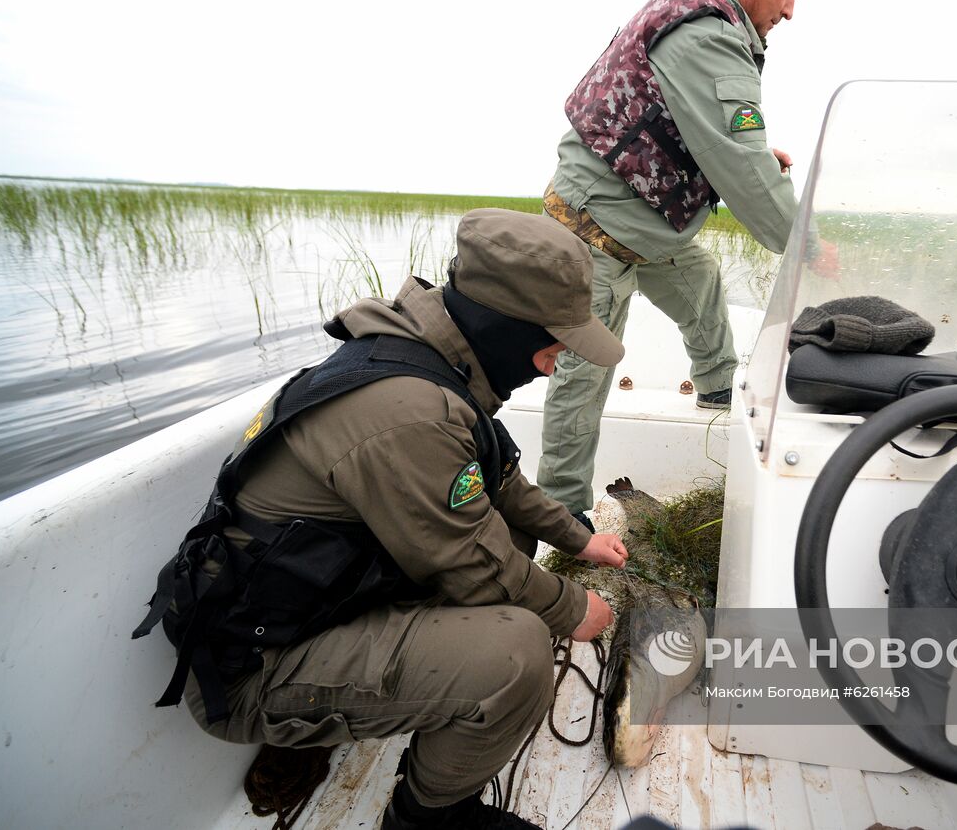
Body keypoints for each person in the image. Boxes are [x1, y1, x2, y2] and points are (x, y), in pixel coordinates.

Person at [134, 209, 630, 830]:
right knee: (519, 653)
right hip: (254, 670)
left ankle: (352, 714)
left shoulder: (435, 364)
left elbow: (503, 485)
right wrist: (574, 609)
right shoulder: (411, 410)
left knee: (515, 537)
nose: (553, 364)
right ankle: (427, 817)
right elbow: (476, 569)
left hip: (315, 607)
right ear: (505, 325)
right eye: (553, 342)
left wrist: (581, 542)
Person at [539, 0, 837, 521]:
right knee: (584, 379)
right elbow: (747, 172)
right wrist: (809, 247)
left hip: (641, 220)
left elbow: (692, 127)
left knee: (700, 280)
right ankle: (565, 529)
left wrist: (741, 158)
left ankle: (719, 389)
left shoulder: (704, 12)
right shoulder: (709, 34)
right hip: (594, 232)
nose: (789, 10)